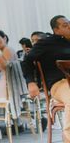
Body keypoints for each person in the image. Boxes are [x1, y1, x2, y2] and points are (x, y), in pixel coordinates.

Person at [23, 15, 70, 143]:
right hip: (60, 84)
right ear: (56, 30)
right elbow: (27, 60)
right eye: (65, 25)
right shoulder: (47, 43)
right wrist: (31, 82)